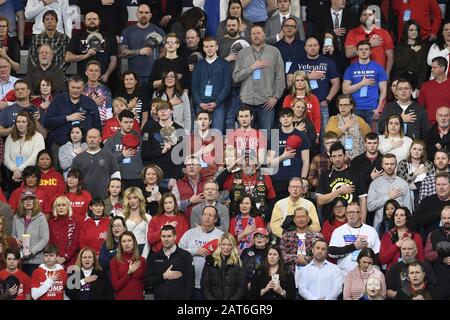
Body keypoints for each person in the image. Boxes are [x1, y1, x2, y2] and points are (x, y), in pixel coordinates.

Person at [233, 25, 285, 137]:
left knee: (265, 137)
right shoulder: (243, 53)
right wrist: (252, 67)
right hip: (246, 101)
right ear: (250, 36)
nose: (256, 36)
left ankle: (265, 155)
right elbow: (236, 77)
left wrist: (275, 97)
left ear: (264, 35)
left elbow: (280, 77)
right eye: (253, 34)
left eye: (258, 33)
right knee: (246, 137)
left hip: (266, 103)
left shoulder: (274, 52)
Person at [287, 37, 340, 136]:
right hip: (300, 104)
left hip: (321, 104)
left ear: (319, 47)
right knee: (301, 133)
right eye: (310, 46)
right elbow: (289, 82)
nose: (313, 48)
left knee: (324, 134)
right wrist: (308, 77)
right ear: (305, 48)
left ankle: (324, 152)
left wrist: (328, 100)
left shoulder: (328, 62)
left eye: (315, 45)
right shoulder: (298, 62)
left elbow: (336, 83)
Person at [44, 76, 102, 163]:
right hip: (59, 145)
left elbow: (97, 127)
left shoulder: (89, 102)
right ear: (68, 86)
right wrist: (68, 118)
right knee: (58, 174)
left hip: (84, 147)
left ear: (83, 87)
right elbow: (47, 122)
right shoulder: (58, 99)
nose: (75, 90)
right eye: (73, 87)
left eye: (78, 88)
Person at [179, 206, 224, 299]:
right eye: (205, 214)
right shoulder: (189, 233)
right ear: (201, 217)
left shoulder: (221, 236)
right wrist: (195, 251)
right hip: (190, 283)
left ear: (215, 219)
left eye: (211, 215)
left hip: (212, 285)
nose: (207, 217)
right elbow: (178, 253)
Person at [316, 142, 368, 221]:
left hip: (352, 220)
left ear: (345, 156)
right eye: (334, 156)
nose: (337, 159)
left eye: (340, 155)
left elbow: (362, 199)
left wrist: (363, 223)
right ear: (330, 158)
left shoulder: (356, 173)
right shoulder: (324, 175)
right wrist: (339, 191)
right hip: (331, 221)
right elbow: (320, 201)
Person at [342, 40, 388, 127]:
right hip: (355, 109)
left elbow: (383, 90)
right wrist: (362, 83)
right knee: (356, 137)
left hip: (373, 109)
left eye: (366, 49)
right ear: (357, 52)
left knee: (373, 138)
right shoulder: (351, 68)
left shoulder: (378, 68)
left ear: (370, 52)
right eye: (361, 49)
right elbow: (345, 90)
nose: (363, 51)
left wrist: (379, 109)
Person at [329, 201, 381, 276]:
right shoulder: (338, 231)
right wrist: (354, 246)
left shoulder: (371, 231)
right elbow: (331, 252)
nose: (351, 215)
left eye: (354, 212)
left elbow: (377, 255)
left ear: (360, 214)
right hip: (344, 275)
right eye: (348, 212)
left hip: (366, 275)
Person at [120, 3, 165, 88]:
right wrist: (139, 52)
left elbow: (164, 52)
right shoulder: (127, 31)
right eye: (141, 12)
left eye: (146, 12)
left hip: (153, 75)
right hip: (134, 77)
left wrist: (156, 62)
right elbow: (122, 54)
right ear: (136, 14)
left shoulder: (159, 31)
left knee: (153, 101)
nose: (143, 15)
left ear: (150, 15)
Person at [268, 108, 310, 199]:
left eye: (288, 116)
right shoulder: (275, 136)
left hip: (295, 179)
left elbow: (306, 161)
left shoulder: (301, 135)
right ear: (279, 119)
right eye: (283, 117)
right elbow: (270, 163)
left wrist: (303, 179)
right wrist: (283, 156)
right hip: (278, 179)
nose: (286, 119)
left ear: (293, 118)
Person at [65, 11, 117, 83]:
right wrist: (85, 56)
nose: (92, 21)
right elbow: (67, 58)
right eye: (89, 19)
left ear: (99, 21)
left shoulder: (109, 37)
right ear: (85, 22)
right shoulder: (77, 37)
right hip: (82, 80)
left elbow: (114, 59)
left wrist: (107, 74)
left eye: (94, 19)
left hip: (102, 79)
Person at [192, 36, 231, 133]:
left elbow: (227, 87)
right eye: (206, 46)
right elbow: (194, 87)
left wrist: (216, 103)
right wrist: (200, 103)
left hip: (218, 105)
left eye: (211, 46)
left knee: (217, 135)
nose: (209, 49)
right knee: (200, 137)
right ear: (204, 48)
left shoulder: (225, 64)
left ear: (216, 47)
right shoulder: (198, 65)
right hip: (201, 105)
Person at [141, 99, 184, 183]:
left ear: (171, 111)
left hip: (171, 176)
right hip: (154, 176)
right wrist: (162, 151)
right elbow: (144, 154)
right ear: (156, 112)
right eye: (160, 109)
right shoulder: (149, 128)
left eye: (166, 109)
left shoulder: (179, 129)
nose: (163, 111)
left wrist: (175, 177)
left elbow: (180, 156)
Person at [145, 224, 194, 299]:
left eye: (169, 236)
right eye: (163, 236)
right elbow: (147, 281)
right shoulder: (153, 257)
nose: (166, 239)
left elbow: (190, 283)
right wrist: (164, 276)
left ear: (175, 237)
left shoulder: (185, 256)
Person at [367, 153, 414, 231]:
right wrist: (388, 197)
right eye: (386, 164)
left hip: (400, 228)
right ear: (382, 165)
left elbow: (408, 210)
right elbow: (370, 207)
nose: (389, 166)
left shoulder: (403, 184)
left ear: (396, 165)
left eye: (392, 164)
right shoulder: (375, 184)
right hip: (379, 227)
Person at [280, 207, 324, 288]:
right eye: (298, 217)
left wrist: (306, 260)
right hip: (290, 277)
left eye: (303, 217)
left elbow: (321, 256)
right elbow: (281, 255)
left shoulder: (317, 237)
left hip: (312, 277)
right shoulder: (286, 236)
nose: (300, 219)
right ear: (294, 220)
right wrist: (297, 258)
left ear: (308, 219)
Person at [71, 128, 121, 200]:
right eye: (90, 137)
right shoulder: (78, 158)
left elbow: (116, 178)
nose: (92, 140)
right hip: (83, 197)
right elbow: (73, 179)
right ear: (86, 139)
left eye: (95, 137)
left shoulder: (110, 156)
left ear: (100, 139)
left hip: (105, 197)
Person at [344, 5, 394, 75]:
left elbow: (390, 57)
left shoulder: (384, 33)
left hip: (378, 76)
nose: (367, 17)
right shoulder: (352, 33)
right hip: (358, 76)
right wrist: (369, 44)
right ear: (360, 19)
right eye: (364, 15)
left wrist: (387, 74)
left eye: (370, 15)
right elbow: (348, 54)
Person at [11, 189, 49, 276]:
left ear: (35, 201)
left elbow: (45, 239)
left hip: (35, 261)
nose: (28, 201)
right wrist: (15, 240)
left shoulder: (41, 217)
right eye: (25, 199)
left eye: (31, 199)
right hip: (19, 261)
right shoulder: (16, 217)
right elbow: (12, 235)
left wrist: (32, 252)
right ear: (22, 202)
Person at [4, 111, 45, 189]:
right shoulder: (10, 137)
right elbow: (6, 158)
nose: (20, 124)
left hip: (31, 176)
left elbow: (36, 156)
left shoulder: (38, 136)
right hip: (13, 175)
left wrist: (20, 170)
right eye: (18, 122)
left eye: (23, 122)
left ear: (29, 123)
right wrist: (15, 170)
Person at [103, 110, 143, 189]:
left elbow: (146, 156)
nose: (129, 125)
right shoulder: (111, 140)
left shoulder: (139, 138)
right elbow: (105, 160)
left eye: (131, 122)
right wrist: (122, 155)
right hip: (119, 180)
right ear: (120, 122)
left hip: (138, 178)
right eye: (126, 122)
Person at [201, 232, 246, 300]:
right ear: (219, 245)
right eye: (224, 244)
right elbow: (205, 286)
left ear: (233, 246)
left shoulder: (239, 262)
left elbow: (242, 287)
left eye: (229, 245)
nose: (226, 247)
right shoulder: (210, 261)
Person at [325, 94, 371, 160]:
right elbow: (329, 137)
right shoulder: (334, 119)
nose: (343, 107)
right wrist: (346, 126)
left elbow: (368, 136)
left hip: (358, 158)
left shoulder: (359, 120)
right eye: (340, 105)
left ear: (351, 106)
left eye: (346, 105)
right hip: (339, 159)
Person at [379, 206, 424, 271]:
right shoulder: (387, 236)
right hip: (392, 273)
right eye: (396, 215)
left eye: (402, 215)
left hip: (411, 273)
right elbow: (382, 260)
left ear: (407, 218)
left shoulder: (416, 236)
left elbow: (421, 260)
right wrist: (396, 245)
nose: (398, 217)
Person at [110, 231, 147, 300]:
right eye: (124, 241)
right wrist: (129, 273)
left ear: (134, 242)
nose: (127, 244)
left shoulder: (141, 260)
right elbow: (116, 286)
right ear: (120, 244)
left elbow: (144, 283)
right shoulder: (114, 261)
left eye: (129, 240)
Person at [396, 140, 434, 207]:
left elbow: (432, 182)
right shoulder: (403, 163)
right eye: (414, 149)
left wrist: (417, 185)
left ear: (423, 152)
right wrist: (415, 173)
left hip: (425, 197)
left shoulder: (429, 164)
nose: (416, 152)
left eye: (420, 150)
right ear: (410, 150)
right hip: (406, 197)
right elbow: (401, 183)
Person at [393, 21, 428, 91]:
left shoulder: (423, 47)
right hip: (401, 79)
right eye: (411, 30)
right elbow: (400, 64)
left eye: (416, 30)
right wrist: (412, 51)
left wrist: (419, 87)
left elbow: (423, 68)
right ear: (406, 31)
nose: (414, 32)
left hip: (416, 81)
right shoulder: (400, 46)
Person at [415, 172, 450, 242]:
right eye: (438, 184)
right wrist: (439, 213)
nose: (441, 187)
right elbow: (417, 220)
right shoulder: (427, 201)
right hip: (430, 242)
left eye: (444, 184)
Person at [172, 156, 208, 222]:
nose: (191, 166)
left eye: (194, 164)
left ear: (200, 167)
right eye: (188, 165)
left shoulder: (208, 183)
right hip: (185, 223)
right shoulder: (178, 185)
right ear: (186, 169)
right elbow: (172, 205)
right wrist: (189, 202)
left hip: (204, 223)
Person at [425, 206, 450, 299]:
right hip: (439, 280)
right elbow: (427, 255)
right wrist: (440, 253)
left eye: (449, 218)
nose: (446, 220)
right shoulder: (433, 234)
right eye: (444, 218)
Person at [48, 196, 80, 269]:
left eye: (63, 205)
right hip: (55, 261)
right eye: (58, 205)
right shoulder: (51, 222)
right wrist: (56, 257)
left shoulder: (75, 222)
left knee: (72, 280)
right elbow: (50, 242)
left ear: (68, 207)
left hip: (72, 262)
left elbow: (75, 243)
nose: (61, 207)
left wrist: (65, 257)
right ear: (55, 208)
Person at [118, 187, 151, 257]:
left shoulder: (148, 217)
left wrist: (144, 257)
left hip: (142, 248)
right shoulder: (121, 216)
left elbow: (148, 240)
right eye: (129, 198)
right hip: (125, 250)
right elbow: (118, 237)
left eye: (135, 197)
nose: (132, 201)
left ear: (140, 199)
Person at [418, 57, 450, 124]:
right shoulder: (425, 86)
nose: (431, 70)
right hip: (430, 125)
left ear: (443, 68)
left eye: (434, 67)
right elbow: (420, 108)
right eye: (431, 67)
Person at [240, 227, 270, 296]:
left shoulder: (271, 252)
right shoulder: (246, 252)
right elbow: (240, 270)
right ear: (253, 239)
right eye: (257, 236)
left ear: (267, 240)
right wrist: (246, 283)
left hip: (266, 287)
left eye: (262, 237)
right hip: (247, 287)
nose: (259, 238)